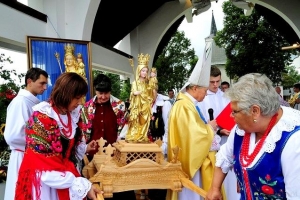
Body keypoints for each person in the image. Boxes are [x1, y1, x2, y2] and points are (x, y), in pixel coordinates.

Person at [206, 73, 300, 200]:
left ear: (255, 111)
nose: (231, 116)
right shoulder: (241, 129)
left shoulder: (294, 141)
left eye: (234, 111)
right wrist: (215, 188)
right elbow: (225, 156)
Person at [14, 72, 100, 200]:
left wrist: (84, 148)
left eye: (82, 97)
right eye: (77, 98)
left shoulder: (72, 115)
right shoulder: (42, 118)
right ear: (66, 95)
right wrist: (81, 184)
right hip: (47, 183)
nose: (80, 102)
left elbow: (70, 150)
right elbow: (44, 167)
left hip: (65, 175)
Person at [167, 60, 218, 200]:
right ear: (195, 88)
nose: (206, 94)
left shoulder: (187, 104)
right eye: (205, 90)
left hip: (192, 160)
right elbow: (194, 136)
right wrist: (210, 128)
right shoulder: (184, 105)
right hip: (188, 165)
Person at [80, 73, 135, 200]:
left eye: (106, 93)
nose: (103, 96)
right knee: (97, 191)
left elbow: (125, 128)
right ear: (95, 91)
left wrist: (119, 146)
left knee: (118, 191)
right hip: (93, 156)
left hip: (115, 156)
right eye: (100, 93)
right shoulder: (87, 107)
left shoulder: (119, 106)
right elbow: (83, 131)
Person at [3, 68, 48, 200]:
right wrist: (41, 141)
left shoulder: (32, 102)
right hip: (23, 156)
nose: (45, 87)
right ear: (29, 81)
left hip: (32, 154)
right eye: (42, 83)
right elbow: (13, 135)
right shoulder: (20, 102)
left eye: (46, 84)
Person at [198, 66, 239, 199]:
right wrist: (219, 130)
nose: (215, 85)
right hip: (211, 144)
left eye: (218, 81)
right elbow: (200, 122)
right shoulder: (201, 98)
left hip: (228, 140)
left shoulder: (226, 96)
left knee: (229, 179)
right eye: (212, 82)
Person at [125, 53, 153, 143]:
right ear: (139, 71)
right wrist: (134, 93)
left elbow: (150, 96)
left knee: (144, 121)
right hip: (137, 105)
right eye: (143, 71)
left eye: (146, 71)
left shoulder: (147, 84)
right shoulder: (135, 83)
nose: (144, 73)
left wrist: (149, 95)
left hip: (145, 106)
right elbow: (132, 93)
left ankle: (142, 135)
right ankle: (134, 135)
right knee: (135, 119)